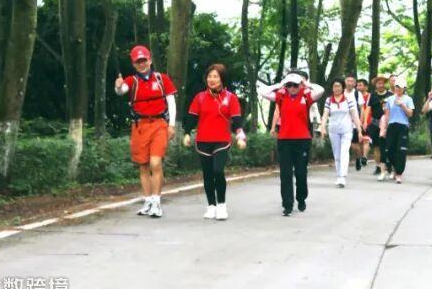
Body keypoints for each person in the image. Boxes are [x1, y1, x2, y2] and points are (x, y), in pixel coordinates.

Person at [114, 45, 177, 218]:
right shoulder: (131, 81)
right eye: (138, 61)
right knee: (143, 165)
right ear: (133, 64)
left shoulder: (161, 79)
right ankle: (148, 200)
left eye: (144, 60)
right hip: (140, 126)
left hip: (159, 124)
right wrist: (118, 86)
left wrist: (171, 124)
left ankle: (157, 201)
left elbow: (171, 101)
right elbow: (121, 91)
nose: (142, 64)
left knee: (155, 163)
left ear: (150, 60)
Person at [182, 64, 246, 220]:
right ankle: (211, 206)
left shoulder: (230, 98)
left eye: (215, 77)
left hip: (222, 141)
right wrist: (187, 134)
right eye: (209, 77)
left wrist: (240, 136)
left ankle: (221, 205)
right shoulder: (200, 97)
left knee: (218, 171)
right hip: (203, 141)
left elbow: (237, 120)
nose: (212, 79)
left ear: (222, 79)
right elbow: (191, 118)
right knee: (208, 174)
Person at [259, 72, 325, 216]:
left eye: (295, 85)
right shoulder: (281, 97)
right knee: (285, 173)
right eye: (289, 85)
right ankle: (287, 204)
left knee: (301, 172)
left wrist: (306, 84)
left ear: (299, 85)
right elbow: (263, 92)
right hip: (284, 140)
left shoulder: (306, 96)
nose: (292, 88)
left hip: (302, 139)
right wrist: (280, 84)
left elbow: (321, 90)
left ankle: (301, 198)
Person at [320, 78, 363, 188]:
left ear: (343, 87)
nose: (337, 88)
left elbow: (355, 115)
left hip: (346, 130)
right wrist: (322, 127)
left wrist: (359, 130)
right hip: (333, 130)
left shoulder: (349, 100)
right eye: (335, 86)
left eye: (339, 86)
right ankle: (339, 175)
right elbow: (325, 115)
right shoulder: (329, 100)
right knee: (337, 154)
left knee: (344, 151)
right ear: (332, 88)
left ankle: (342, 177)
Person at [381, 77, 414, 184]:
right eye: (396, 87)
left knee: (401, 150)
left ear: (404, 88)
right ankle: (396, 167)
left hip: (403, 126)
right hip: (392, 126)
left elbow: (410, 114)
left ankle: (399, 173)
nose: (398, 89)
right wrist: (384, 128)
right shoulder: (390, 99)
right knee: (389, 150)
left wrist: (402, 105)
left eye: (400, 87)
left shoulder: (408, 99)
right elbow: (387, 115)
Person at [368, 75, 393, 179]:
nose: (381, 85)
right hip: (375, 123)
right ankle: (379, 166)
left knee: (389, 146)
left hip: (388, 123)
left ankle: (390, 166)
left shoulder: (390, 95)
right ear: (375, 85)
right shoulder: (372, 96)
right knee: (377, 146)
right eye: (379, 83)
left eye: (382, 83)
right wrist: (365, 122)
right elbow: (368, 109)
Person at [343, 73, 366, 171]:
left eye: (351, 81)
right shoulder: (341, 92)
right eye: (348, 81)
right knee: (344, 144)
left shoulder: (357, 94)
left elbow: (362, 108)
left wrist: (360, 121)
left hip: (354, 123)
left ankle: (358, 158)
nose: (349, 83)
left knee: (354, 145)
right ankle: (343, 163)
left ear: (354, 83)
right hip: (343, 122)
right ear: (345, 82)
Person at [355, 78, 373, 166]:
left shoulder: (370, 96)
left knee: (366, 139)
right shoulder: (354, 96)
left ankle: (364, 157)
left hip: (368, 121)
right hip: (356, 121)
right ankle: (359, 157)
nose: (358, 87)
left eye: (360, 85)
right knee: (358, 141)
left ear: (366, 87)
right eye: (357, 85)